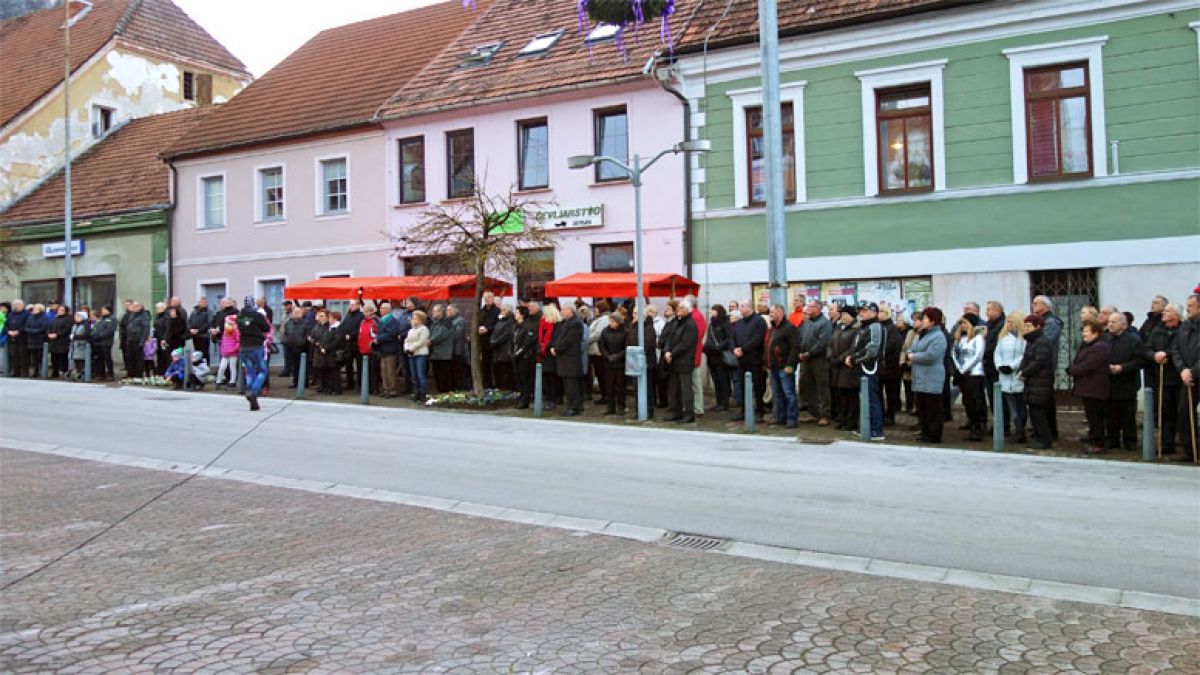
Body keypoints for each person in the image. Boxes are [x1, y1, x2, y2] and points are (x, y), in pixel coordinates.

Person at [1144, 303, 1184, 458]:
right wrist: (1154, 355)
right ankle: (1166, 444)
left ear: (1176, 315)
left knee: (1181, 412)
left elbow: (1180, 349)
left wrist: (1166, 354)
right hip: (1161, 378)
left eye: (1167, 311)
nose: (1164, 313)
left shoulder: (1183, 330)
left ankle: (1186, 443)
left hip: (1179, 377)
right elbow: (1147, 348)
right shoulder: (1157, 330)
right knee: (1164, 412)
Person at [1066, 320, 1110, 454]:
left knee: (1096, 417)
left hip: (1095, 388)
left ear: (1095, 333)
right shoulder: (1088, 346)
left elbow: (1088, 365)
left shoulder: (1100, 347)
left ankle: (1099, 444)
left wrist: (1072, 370)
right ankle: (1094, 439)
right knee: (1091, 416)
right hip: (1088, 388)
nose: (1083, 334)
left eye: (1086, 331)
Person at [846, 302, 885, 440]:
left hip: (869, 367)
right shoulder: (863, 327)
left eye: (864, 310)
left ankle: (876, 430)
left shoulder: (875, 326)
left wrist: (854, 359)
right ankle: (866, 427)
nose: (861, 313)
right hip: (861, 366)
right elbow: (857, 346)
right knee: (864, 399)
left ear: (873, 313)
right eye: (860, 310)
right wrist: (850, 356)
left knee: (872, 398)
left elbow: (872, 349)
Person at [1104, 311, 1142, 451]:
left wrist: (1122, 368)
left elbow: (1139, 360)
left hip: (1127, 383)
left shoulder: (1134, 340)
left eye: (1114, 322)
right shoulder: (1105, 339)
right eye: (1109, 322)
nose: (1110, 324)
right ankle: (1112, 439)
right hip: (1109, 383)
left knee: (1128, 414)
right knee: (1111, 414)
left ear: (1124, 325)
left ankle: (1130, 440)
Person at [908, 308, 947, 443]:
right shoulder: (923, 334)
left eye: (925, 318)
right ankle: (925, 432)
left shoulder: (938, 336)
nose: (923, 320)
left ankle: (934, 435)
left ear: (933, 321)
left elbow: (931, 355)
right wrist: (910, 354)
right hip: (919, 377)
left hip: (932, 377)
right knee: (922, 408)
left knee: (933, 409)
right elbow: (912, 348)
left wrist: (913, 357)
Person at [1019, 314, 1056, 450]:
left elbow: (1039, 361)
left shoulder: (1041, 342)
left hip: (1040, 383)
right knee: (1035, 412)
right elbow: (1027, 359)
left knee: (1039, 413)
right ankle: (1039, 437)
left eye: (1029, 326)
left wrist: (1025, 372)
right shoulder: (1032, 341)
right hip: (1033, 383)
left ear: (1038, 326)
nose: (1026, 328)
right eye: (1025, 326)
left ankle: (1044, 439)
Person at [1170, 294, 1200, 461]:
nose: (1187, 309)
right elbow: (1176, 349)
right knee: (1184, 412)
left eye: (1191, 306)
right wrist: (1182, 369)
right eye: (1187, 305)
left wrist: (1192, 371)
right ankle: (1191, 450)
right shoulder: (1185, 326)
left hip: (1194, 373)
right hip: (1187, 376)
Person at [1031, 295, 1063, 440]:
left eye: (1036, 303)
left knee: (1045, 401)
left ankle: (1049, 432)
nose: (1033, 306)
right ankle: (1042, 429)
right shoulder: (1040, 320)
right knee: (1041, 401)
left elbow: (1044, 343)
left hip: (1045, 366)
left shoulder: (1051, 322)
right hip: (1039, 365)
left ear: (1044, 306)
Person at [952, 312, 987, 441]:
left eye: (965, 323)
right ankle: (972, 424)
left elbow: (978, 356)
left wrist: (965, 368)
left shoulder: (978, 338)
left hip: (974, 374)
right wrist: (959, 368)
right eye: (961, 323)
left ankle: (978, 428)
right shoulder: (960, 339)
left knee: (975, 402)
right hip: (962, 374)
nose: (962, 325)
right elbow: (954, 353)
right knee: (967, 401)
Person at [994, 311, 1028, 443]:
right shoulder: (1003, 338)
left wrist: (1012, 366)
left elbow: (1024, 355)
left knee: (1020, 406)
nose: (1010, 324)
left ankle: (1021, 430)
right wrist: (1000, 366)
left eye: (1012, 322)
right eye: (1008, 322)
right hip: (1005, 376)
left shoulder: (1023, 339)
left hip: (1017, 375)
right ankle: (1017, 428)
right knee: (1012, 406)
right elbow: (997, 353)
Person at [663, 299, 698, 423]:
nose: (679, 310)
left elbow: (685, 343)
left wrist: (672, 353)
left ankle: (689, 413)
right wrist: (667, 351)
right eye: (678, 307)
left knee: (685, 389)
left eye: (682, 308)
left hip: (684, 361)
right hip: (673, 361)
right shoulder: (676, 322)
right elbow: (669, 338)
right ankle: (676, 412)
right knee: (674, 389)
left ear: (688, 310)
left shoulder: (690, 324)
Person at [765, 304, 801, 428]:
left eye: (772, 312)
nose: (770, 315)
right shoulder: (773, 329)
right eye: (770, 312)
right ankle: (780, 417)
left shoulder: (789, 328)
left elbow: (795, 347)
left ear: (780, 313)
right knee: (777, 394)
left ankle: (792, 419)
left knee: (789, 393)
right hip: (774, 366)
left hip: (784, 366)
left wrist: (790, 365)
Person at [730, 301, 765, 422]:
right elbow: (732, 337)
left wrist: (743, 349)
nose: (740, 308)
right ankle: (744, 410)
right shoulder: (739, 323)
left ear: (750, 307)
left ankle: (759, 411)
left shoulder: (759, 321)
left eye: (742, 306)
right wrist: (734, 348)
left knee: (758, 386)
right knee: (742, 386)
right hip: (741, 360)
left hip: (755, 359)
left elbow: (758, 339)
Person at [236, 296, 272, 410]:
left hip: (243, 346)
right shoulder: (257, 315)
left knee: (249, 371)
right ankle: (254, 390)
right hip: (256, 345)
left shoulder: (239, 316)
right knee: (262, 370)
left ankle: (250, 392)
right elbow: (266, 328)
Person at [552, 305, 585, 416]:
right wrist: (554, 347)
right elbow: (559, 337)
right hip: (564, 358)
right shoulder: (565, 323)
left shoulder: (575, 323)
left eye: (564, 310)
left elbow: (568, 340)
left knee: (572, 384)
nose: (562, 312)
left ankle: (574, 407)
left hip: (571, 359)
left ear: (570, 310)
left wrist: (557, 349)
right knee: (567, 384)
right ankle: (573, 405)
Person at [830, 304, 859, 430]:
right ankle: (842, 418)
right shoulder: (839, 327)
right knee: (840, 394)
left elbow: (853, 348)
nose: (843, 316)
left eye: (845, 314)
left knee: (850, 395)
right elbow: (830, 343)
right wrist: (830, 356)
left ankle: (851, 421)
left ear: (851, 316)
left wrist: (840, 359)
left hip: (847, 366)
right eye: (842, 314)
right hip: (837, 367)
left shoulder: (856, 329)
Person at [628, 305, 658, 419]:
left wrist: (637, 352)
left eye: (635, 313)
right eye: (633, 313)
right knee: (637, 388)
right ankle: (639, 410)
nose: (633, 315)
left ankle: (648, 410)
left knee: (648, 388)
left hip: (646, 363)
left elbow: (648, 345)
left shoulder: (649, 328)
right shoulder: (634, 326)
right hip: (635, 362)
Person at [703, 304, 733, 412]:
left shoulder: (725, 323)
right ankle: (718, 402)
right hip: (711, 356)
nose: (711, 312)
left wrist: (719, 346)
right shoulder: (711, 324)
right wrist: (705, 347)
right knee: (716, 380)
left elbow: (729, 338)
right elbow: (709, 338)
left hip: (720, 356)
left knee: (722, 380)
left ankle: (724, 403)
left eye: (713, 310)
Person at [877, 305, 903, 426]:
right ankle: (880, 414)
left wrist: (879, 351)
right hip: (879, 366)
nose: (879, 314)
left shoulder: (892, 328)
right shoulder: (878, 326)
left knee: (891, 394)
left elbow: (893, 346)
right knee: (878, 393)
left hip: (890, 367)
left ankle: (890, 415)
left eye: (881, 312)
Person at [599, 312, 628, 415]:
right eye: (610, 321)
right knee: (609, 385)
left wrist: (617, 356)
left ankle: (621, 406)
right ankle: (610, 406)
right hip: (608, 363)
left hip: (621, 363)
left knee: (621, 386)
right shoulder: (605, 331)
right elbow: (601, 344)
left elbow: (627, 347)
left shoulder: (625, 332)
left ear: (619, 322)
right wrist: (607, 355)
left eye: (614, 321)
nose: (611, 323)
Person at [685, 295, 708, 417]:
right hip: (690, 354)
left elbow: (697, 336)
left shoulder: (696, 316)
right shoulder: (692, 316)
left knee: (695, 382)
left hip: (693, 353)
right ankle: (692, 406)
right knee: (691, 382)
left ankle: (698, 408)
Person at [511, 306, 537, 409]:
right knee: (518, 378)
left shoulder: (529, 326)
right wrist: (512, 352)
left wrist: (519, 352)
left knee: (525, 378)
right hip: (515, 355)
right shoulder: (515, 326)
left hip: (525, 356)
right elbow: (512, 340)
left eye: (517, 312)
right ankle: (521, 395)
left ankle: (525, 399)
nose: (515, 314)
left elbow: (528, 342)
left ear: (522, 314)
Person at [982, 300, 1006, 412]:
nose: (986, 312)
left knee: (999, 398)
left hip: (995, 366)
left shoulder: (1002, 325)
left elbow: (995, 345)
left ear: (997, 310)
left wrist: (983, 352)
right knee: (991, 396)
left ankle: (1002, 421)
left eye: (988, 310)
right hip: (988, 366)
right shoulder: (988, 325)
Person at [373, 302, 400, 398]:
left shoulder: (393, 320)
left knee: (390, 371)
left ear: (389, 309)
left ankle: (392, 389)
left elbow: (392, 333)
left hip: (390, 349)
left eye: (383, 308)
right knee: (383, 371)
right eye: (380, 308)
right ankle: (385, 389)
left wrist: (379, 338)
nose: (381, 310)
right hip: (383, 349)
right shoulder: (382, 320)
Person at [587, 300, 612, 405]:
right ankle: (604, 395)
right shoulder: (600, 319)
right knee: (600, 374)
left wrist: (586, 339)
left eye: (596, 308)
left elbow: (598, 334)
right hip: (595, 350)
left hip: (598, 351)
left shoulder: (604, 319)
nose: (595, 310)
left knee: (602, 374)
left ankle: (606, 396)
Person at [403, 310, 431, 402]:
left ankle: (423, 393)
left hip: (420, 354)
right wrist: (406, 349)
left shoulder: (424, 329)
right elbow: (406, 340)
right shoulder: (411, 330)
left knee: (420, 374)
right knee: (414, 375)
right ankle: (416, 392)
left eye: (415, 318)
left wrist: (411, 348)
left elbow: (422, 341)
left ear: (420, 319)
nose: (413, 320)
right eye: (413, 318)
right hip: (411, 354)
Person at [539, 304, 562, 409]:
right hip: (544, 353)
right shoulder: (543, 324)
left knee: (553, 378)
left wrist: (547, 346)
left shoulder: (557, 325)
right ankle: (549, 398)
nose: (543, 315)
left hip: (551, 354)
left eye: (544, 313)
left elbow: (555, 339)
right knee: (546, 378)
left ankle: (554, 399)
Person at [280, 308, 310, 388]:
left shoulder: (306, 323)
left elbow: (308, 335)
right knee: (294, 367)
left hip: (302, 348)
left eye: (298, 312)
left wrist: (302, 343)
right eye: (295, 312)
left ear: (302, 313)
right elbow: (285, 333)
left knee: (303, 366)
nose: (296, 313)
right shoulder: (289, 322)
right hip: (290, 348)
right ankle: (295, 382)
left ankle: (304, 383)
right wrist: (285, 341)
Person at [654, 302, 676, 409]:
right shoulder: (668, 322)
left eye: (668, 308)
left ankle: (669, 402)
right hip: (663, 352)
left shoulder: (673, 323)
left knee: (667, 379)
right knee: (662, 378)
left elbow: (668, 338)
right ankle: (664, 401)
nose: (665, 310)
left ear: (674, 311)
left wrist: (661, 344)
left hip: (668, 353)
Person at [428, 305, 455, 394]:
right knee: (437, 374)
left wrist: (431, 341)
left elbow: (441, 334)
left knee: (444, 374)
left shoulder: (446, 322)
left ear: (440, 312)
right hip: (435, 353)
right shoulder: (434, 322)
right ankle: (440, 391)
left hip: (443, 353)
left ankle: (446, 392)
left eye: (435, 311)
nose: (433, 313)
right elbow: (430, 332)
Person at [121, 301, 151, 379]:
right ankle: (131, 373)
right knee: (130, 357)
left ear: (139, 307)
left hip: (138, 340)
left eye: (134, 307)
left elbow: (146, 329)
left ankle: (138, 374)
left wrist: (142, 341)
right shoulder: (132, 315)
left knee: (138, 358)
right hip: (130, 339)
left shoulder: (144, 316)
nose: (133, 308)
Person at [489, 304, 515, 391]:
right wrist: (492, 340)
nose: (501, 312)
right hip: (497, 349)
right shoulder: (500, 321)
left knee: (504, 369)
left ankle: (505, 387)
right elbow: (495, 332)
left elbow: (506, 335)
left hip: (504, 349)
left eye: (503, 310)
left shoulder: (510, 322)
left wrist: (495, 341)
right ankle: (498, 386)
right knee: (497, 369)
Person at [477, 291, 500, 389]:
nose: (487, 299)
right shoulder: (481, 311)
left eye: (489, 297)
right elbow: (477, 322)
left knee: (494, 365)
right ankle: (487, 384)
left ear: (493, 298)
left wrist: (488, 329)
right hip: (483, 341)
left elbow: (498, 326)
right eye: (485, 298)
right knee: (485, 364)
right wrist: (479, 328)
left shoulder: (497, 311)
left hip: (493, 341)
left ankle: (495, 384)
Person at [339, 300, 364, 390]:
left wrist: (351, 335)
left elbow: (360, 329)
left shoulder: (361, 316)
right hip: (348, 344)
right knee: (348, 364)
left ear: (358, 305)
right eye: (350, 305)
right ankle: (350, 384)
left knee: (360, 365)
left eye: (353, 305)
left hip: (357, 344)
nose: (351, 306)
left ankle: (361, 384)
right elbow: (343, 325)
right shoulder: (348, 315)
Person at [357, 305, 380, 395]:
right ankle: (367, 387)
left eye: (367, 311)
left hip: (372, 350)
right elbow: (360, 334)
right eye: (364, 312)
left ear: (372, 312)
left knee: (373, 371)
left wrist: (374, 344)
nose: (365, 313)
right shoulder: (362, 322)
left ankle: (375, 388)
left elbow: (377, 333)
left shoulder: (375, 321)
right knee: (365, 371)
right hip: (363, 349)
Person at [89, 306, 116, 381]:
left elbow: (110, 330)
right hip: (98, 342)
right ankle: (101, 374)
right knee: (99, 359)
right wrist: (93, 335)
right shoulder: (100, 319)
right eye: (102, 310)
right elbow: (95, 328)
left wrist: (100, 336)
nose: (102, 311)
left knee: (107, 358)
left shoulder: (112, 319)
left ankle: (110, 374)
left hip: (106, 342)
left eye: (104, 310)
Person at [446, 304, 469, 390]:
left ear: (455, 311)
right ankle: (454, 386)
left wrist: (446, 336)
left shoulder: (460, 320)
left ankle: (461, 387)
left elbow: (457, 334)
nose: (447, 312)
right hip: (450, 350)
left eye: (449, 310)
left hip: (457, 349)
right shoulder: (448, 320)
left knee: (458, 370)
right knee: (452, 370)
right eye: (447, 310)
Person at [46, 304, 72, 379]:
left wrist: (57, 334)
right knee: (54, 358)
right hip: (53, 342)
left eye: (62, 310)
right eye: (59, 310)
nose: (60, 311)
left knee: (63, 357)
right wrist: (49, 334)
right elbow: (49, 327)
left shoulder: (68, 319)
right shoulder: (55, 318)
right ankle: (55, 372)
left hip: (62, 341)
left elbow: (67, 329)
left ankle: (63, 372)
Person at [896, 313, 915, 414]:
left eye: (899, 320)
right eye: (897, 320)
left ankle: (910, 405)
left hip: (908, 361)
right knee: (897, 386)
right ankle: (898, 405)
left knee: (908, 385)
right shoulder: (896, 331)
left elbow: (907, 346)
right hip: (898, 361)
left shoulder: (910, 331)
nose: (897, 322)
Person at [24, 303, 49, 377]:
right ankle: (35, 371)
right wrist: (31, 331)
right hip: (32, 339)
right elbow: (26, 326)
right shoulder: (30, 317)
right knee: (34, 357)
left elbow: (44, 327)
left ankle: (42, 371)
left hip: (40, 339)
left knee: (40, 356)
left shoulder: (44, 317)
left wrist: (34, 331)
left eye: (35, 309)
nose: (33, 310)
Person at [214, 315, 240, 388]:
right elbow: (223, 341)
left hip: (233, 352)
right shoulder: (226, 331)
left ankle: (232, 381)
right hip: (225, 352)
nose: (227, 324)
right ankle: (218, 381)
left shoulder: (236, 331)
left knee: (232, 367)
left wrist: (234, 349)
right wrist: (222, 349)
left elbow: (238, 341)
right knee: (222, 367)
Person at [6, 300, 29, 377]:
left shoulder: (26, 314)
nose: (16, 307)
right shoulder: (10, 314)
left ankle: (24, 372)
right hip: (11, 337)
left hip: (22, 337)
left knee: (23, 355)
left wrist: (18, 331)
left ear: (22, 305)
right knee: (13, 355)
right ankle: (15, 371)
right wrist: (8, 331)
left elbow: (27, 325)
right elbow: (6, 324)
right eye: (14, 305)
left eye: (17, 305)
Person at [68, 311, 91, 380]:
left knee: (81, 360)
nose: (75, 317)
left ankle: (81, 373)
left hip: (81, 346)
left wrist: (75, 337)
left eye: (78, 316)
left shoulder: (85, 325)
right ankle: (75, 372)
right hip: (74, 346)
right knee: (74, 360)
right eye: (75, 316)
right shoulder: (75, 325)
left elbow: (87, 335)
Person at [188, 297, 212, 362]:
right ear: (198, 303)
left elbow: (208, 323)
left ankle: (205, 366)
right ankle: (198, 366)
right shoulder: (194, 311)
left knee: (204, 353)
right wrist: (190, 329)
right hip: (195, 336)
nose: (203, 303)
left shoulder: (208, 312)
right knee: (197, 353)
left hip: (204, 336)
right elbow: (189, 321)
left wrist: (198, 330)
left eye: (205, 302)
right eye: (201, 302)